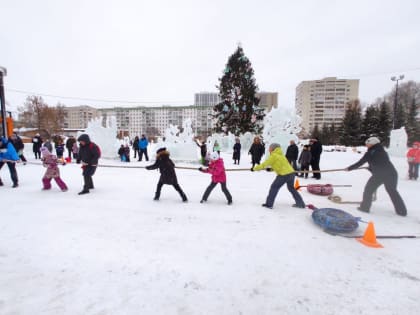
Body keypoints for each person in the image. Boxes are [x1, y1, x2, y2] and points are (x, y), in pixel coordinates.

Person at [345, 137, 407, 216]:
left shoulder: (370, 152)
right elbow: (379, 162)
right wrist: (370, 168)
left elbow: (360, 162)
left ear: (372, 143)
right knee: (393, 192)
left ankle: (364, 208)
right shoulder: (381, 150)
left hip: (380, 175)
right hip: (391, 173)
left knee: (368, 190)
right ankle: (402, 211)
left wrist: (349, 168)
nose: (366, 145)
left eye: (367, 143)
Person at [251, 143, 305, 209]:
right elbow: (281, 166)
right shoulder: (281, 155)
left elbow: (264, 164)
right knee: (291, 188)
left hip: (284, 175)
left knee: (274, 187)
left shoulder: (274, 155)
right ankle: (300, 203)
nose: (269, 149)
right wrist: (271, 169)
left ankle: (269, 204)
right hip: (291, 173)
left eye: (270, 148)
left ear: (273, 148)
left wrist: (254, 168)